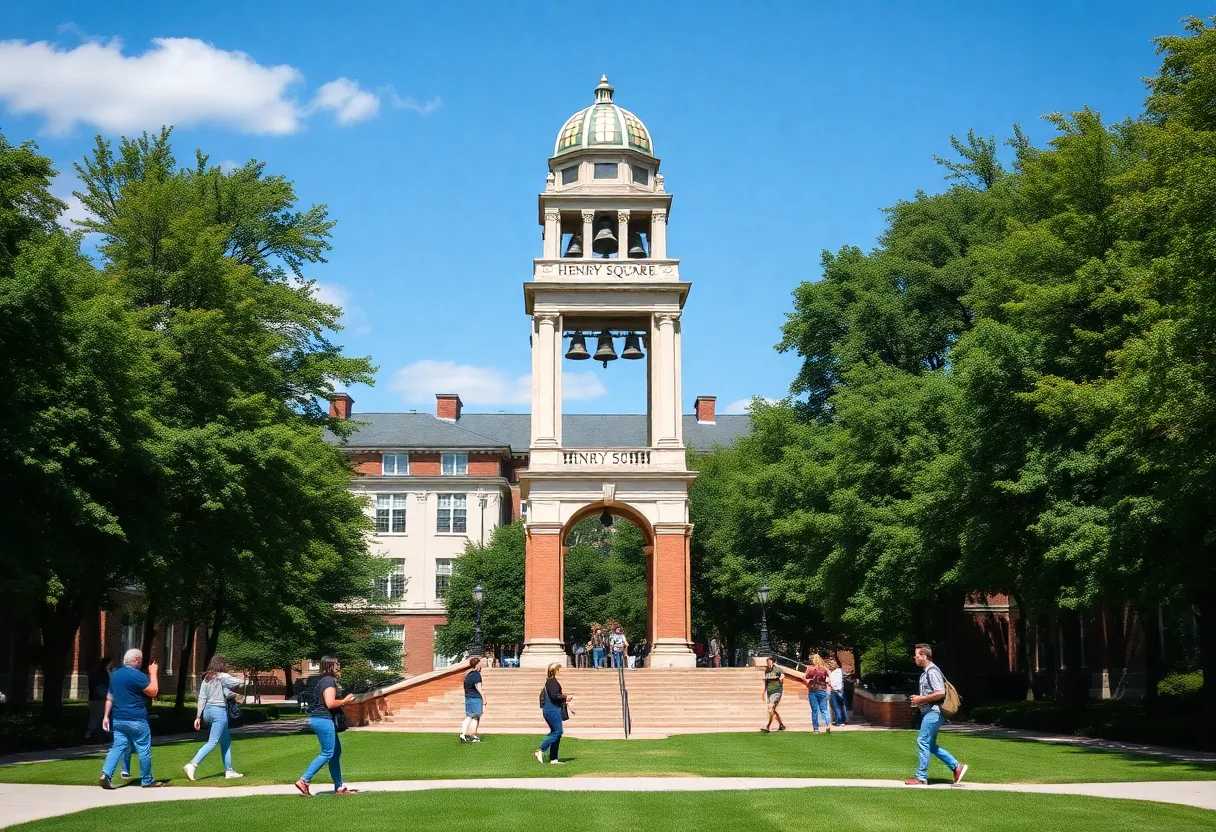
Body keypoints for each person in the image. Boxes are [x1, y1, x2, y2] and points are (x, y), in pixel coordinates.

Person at [99, 649, 164, 789]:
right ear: (136, 660)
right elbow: (153, 691)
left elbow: (109, 697)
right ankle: (147, 780)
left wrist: (105, 716)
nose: (141, 663)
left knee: (117, 747)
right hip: (136, 719)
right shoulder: (137, 675)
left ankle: (106, 773)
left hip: (118, 719)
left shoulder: (115, 675)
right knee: (143, 748)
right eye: (140, 660)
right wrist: (153, 673)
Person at [295, 656, 358, 797]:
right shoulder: (329, 681)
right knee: (327, 753)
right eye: (337, 664)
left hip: (319, 719)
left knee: (335, 753)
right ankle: (304, 780)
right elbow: (329, 703)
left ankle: (339, 787)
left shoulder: (322, 680)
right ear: (331, 666)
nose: (339, 666)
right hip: (323, 719)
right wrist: (345, 701)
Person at [906, 644, 968, 786]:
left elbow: (940, 692)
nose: (914, 657)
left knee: (922, 741)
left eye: (916, 655)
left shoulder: (932, 671)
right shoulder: (926, 672)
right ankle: (956, 766)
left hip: (934, 712)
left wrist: (920, 699)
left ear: (924, 656)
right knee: (930, 745)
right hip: (930, 712)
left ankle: (921, 777)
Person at [184, 655, 244, 780]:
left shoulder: (207, 678)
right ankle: (192, 764)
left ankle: (229, 770)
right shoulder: (222, 676)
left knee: (226, 741)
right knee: (212, 742)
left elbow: (202, 698)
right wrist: (242, 680)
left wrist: (198, 717)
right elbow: (238, 682)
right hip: (218, 712)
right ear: (221, 665)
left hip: (207, 712)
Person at [535, 662, 571, 764]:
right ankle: (540, 750)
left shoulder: (550, 681)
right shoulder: (552, 682)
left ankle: (554, 758)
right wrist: (565, 697)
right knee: (558, 732)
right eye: (558, 670)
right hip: (552, 710)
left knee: (556, 733)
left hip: (551, 709)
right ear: (554, 671)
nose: (559, 672)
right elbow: (554, 695)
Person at [460, 656, 486, 743]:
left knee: (469, 716)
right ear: (477, 664)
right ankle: (473, 735)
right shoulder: (476, 675)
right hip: (475, 698)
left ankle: (464, 734)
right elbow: (479, 688)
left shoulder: (468, 675)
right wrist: (484, 699)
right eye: (480, 663)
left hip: (468, 698)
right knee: (475, 717)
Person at [86, 657, 112, 741]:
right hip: (99, 699)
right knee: (99, 717)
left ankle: (92, 735)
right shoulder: (103, 674)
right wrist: (108, 696)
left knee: (94, 717)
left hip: (93, 698)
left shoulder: (97, 673)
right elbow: (102, 688)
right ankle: (97, 735)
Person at [804, 654, 831, 733]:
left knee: (814, 710)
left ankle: (816, 729)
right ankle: (828, 725)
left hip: (813, 691)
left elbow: (806, 677)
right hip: (822, 691)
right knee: (824, 710)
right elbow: (829, 679)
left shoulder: (810, 669)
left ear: (813, 660)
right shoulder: (824, 669)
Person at [760, 657, 786, 733]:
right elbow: (766, 683)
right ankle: (781, 725)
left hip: (777, 692)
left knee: (770, 709)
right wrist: (763, 693)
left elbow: (783, 677)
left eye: (770, 662)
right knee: (772, 710)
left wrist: (781, 679)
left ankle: (767, 727)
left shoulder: (777, 669)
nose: (768, 664)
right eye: (767, 662)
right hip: (769, 692)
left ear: (773, 662)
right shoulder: (766, 671)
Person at [828, 658, 848, 726]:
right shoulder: (840, 671)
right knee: (842, 706)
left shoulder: (834, 673)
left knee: (836, 706)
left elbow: (835, 682)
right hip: (841, 691)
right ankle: (843, 720)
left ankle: (839, 721)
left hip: (835, 690)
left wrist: (831, 685)